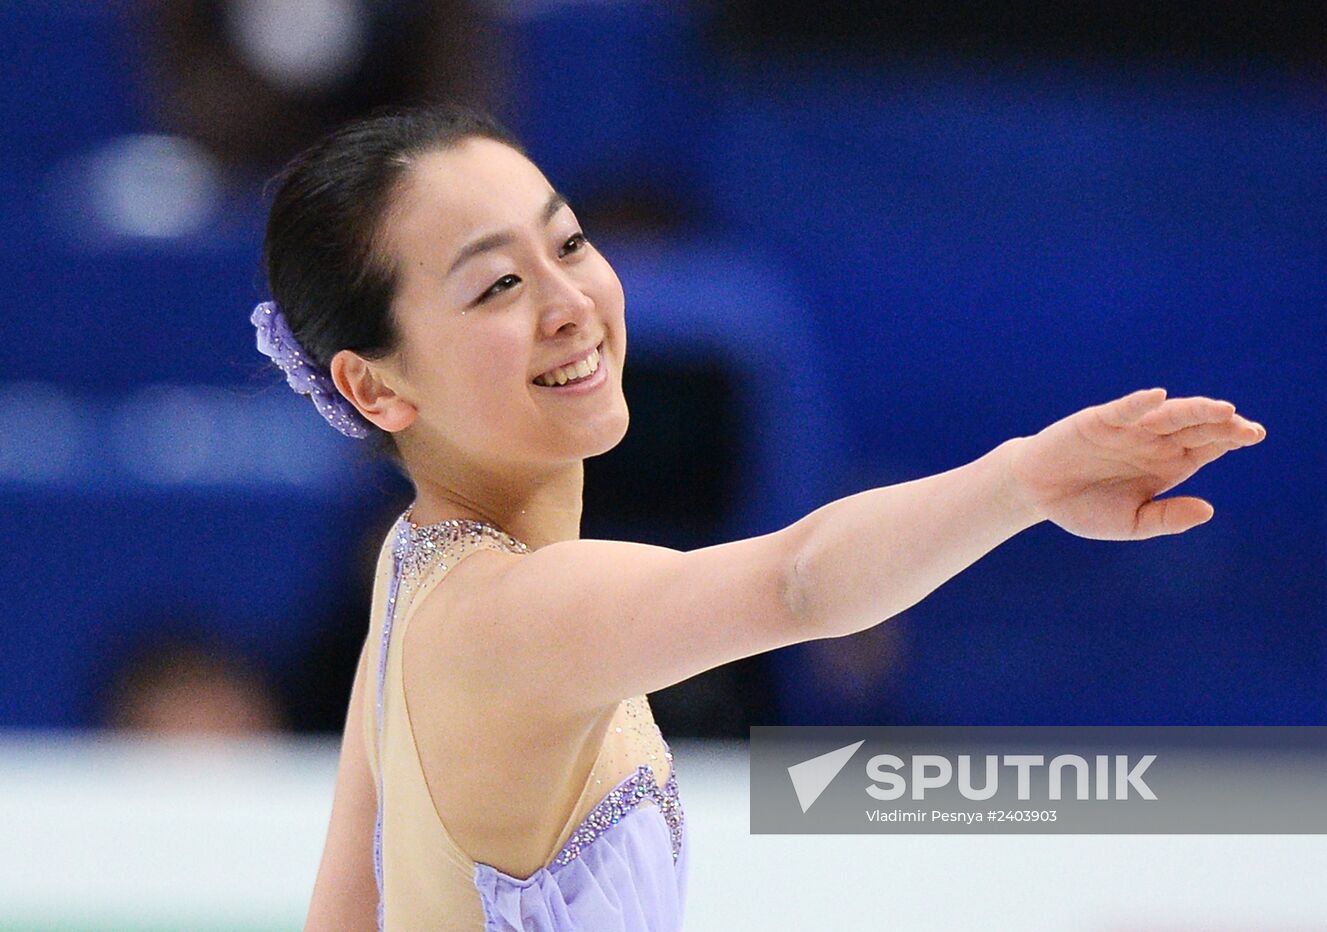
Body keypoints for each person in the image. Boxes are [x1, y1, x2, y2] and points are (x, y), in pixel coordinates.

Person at [253, 103, 1266, 930]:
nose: (568, 300)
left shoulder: (415, 563)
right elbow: (797, 580)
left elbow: (344, 913)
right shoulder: (511, 613)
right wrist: (1020, 480)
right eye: (498, 284)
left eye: (567, 242)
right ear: (376, 389)